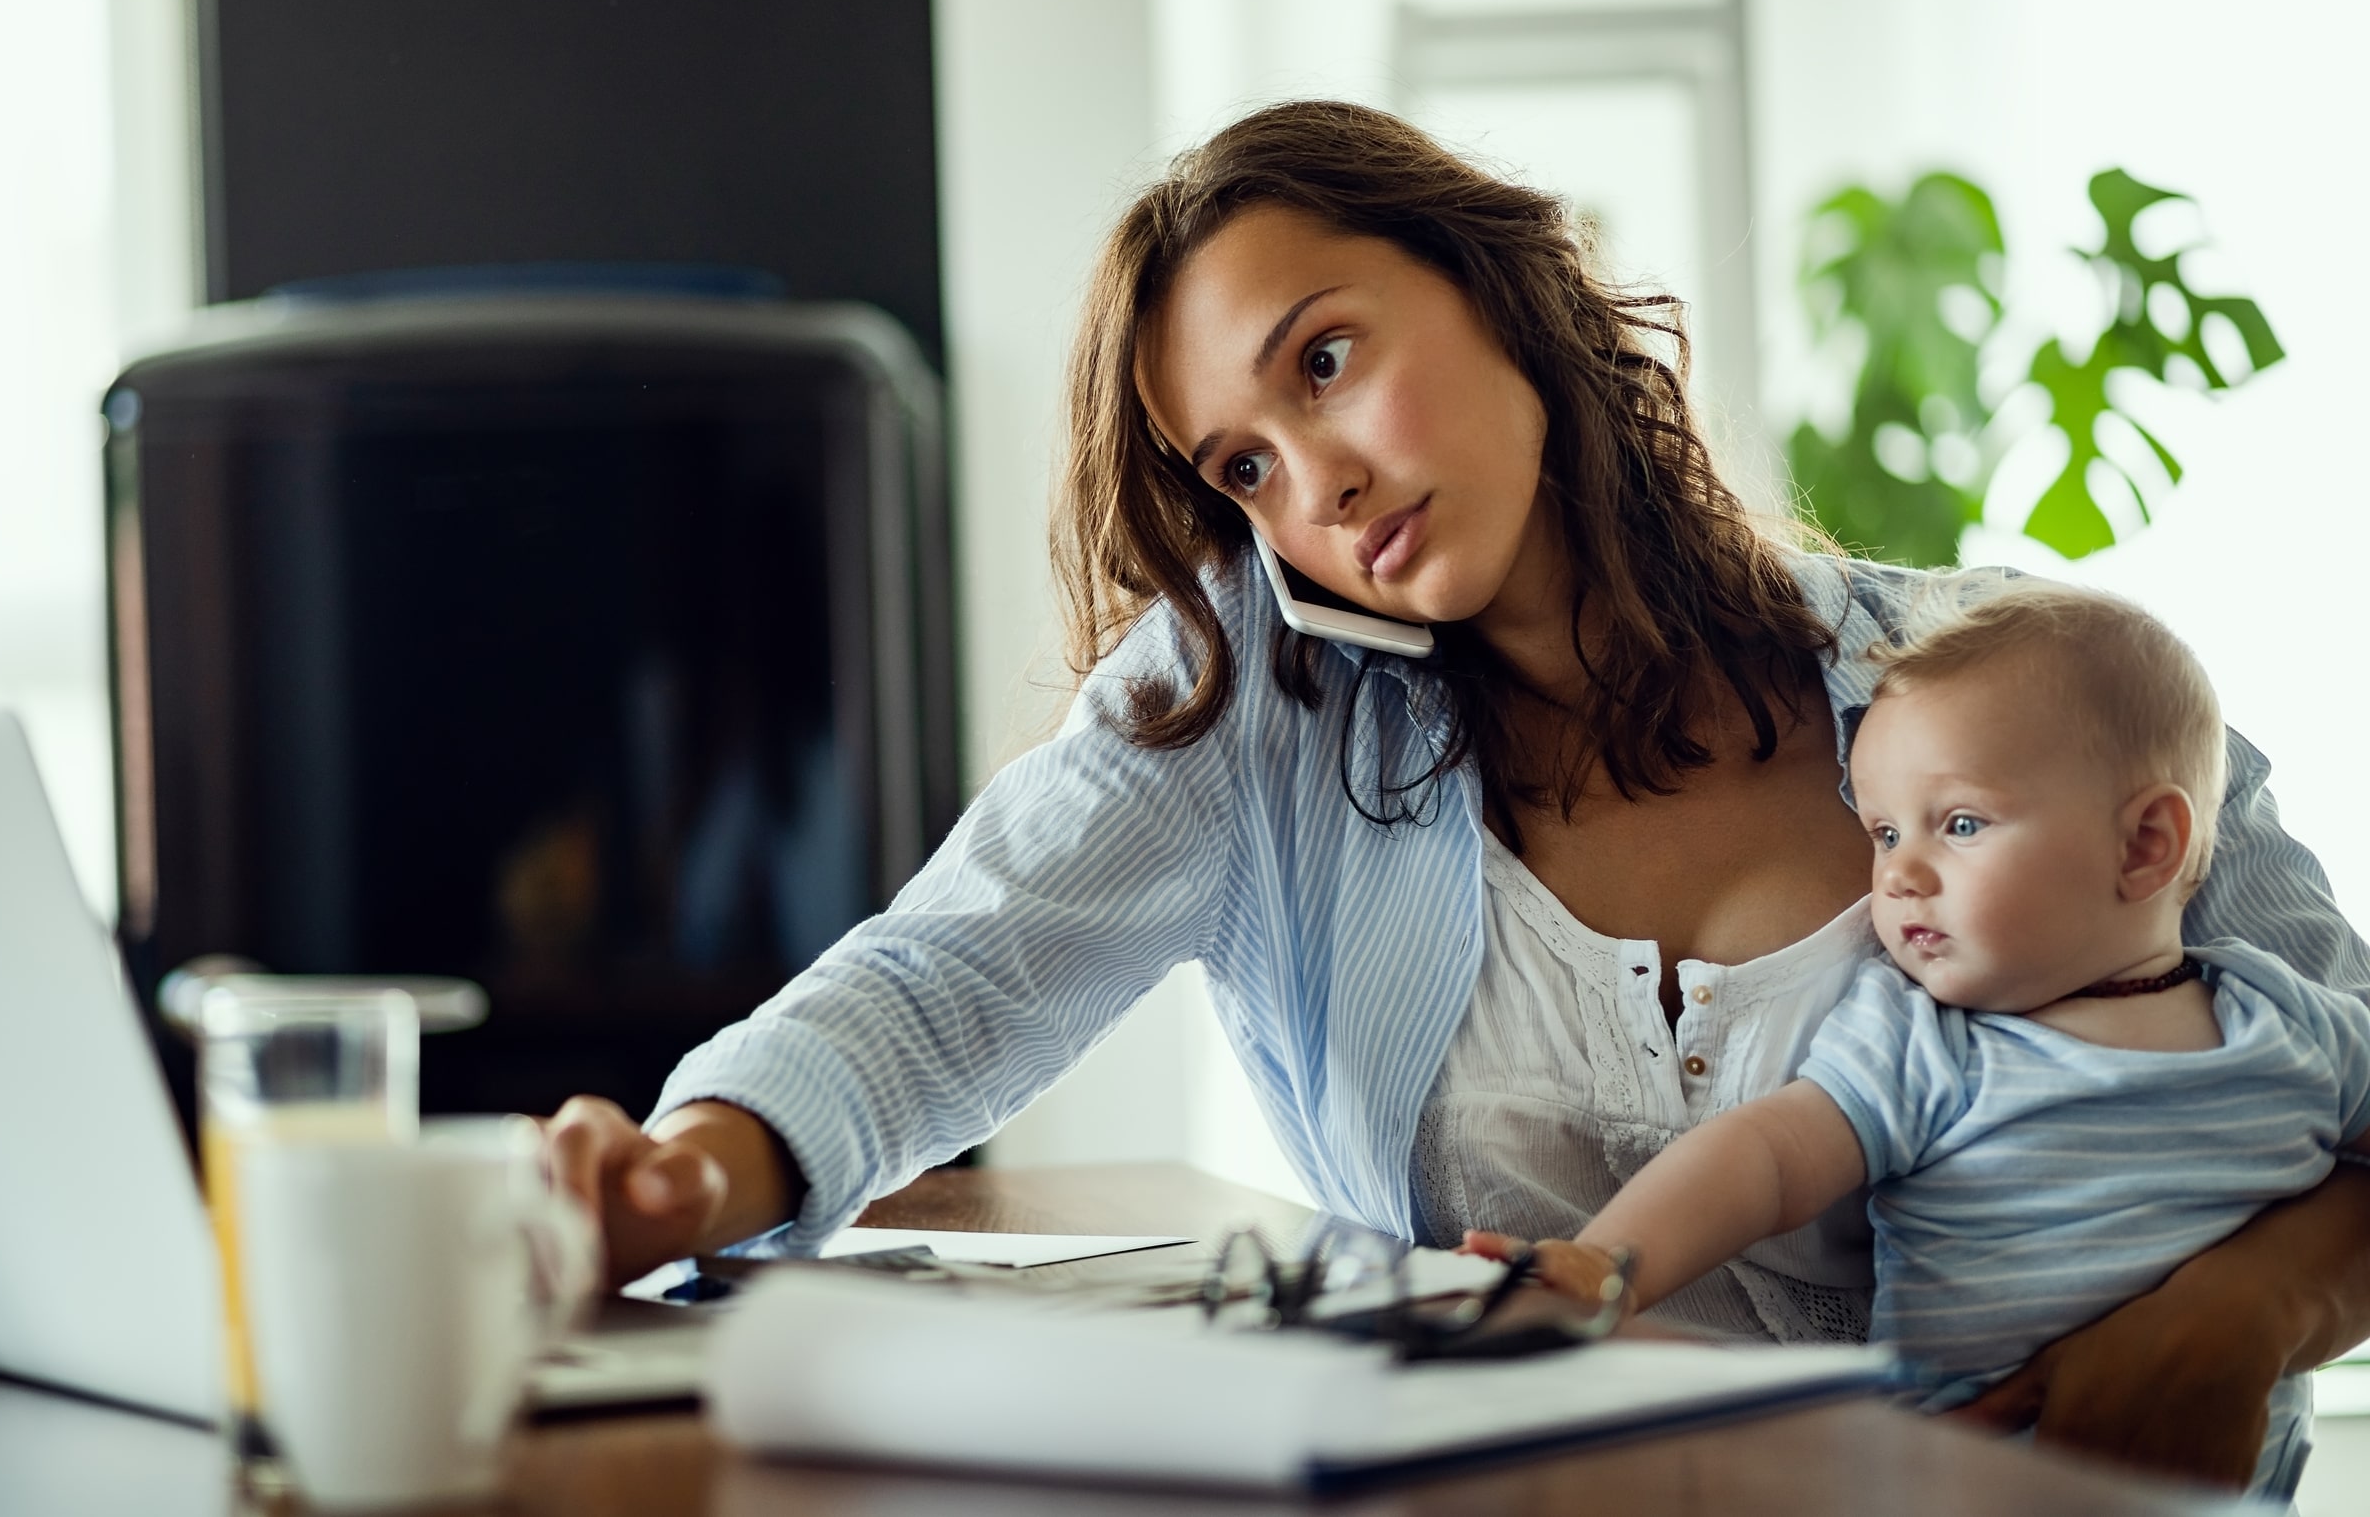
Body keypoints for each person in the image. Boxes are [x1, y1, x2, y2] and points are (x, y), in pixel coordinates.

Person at [547, 101, 2370, 1488]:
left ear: (1502, 286)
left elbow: (2347, 1067)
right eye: (1242, 466)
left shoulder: (2036, 684)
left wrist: (2238, 1314)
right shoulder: (1250, 709)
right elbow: (947, 979)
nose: (1311, 487)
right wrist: (686, 1172)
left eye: (1325, 360)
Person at [1463, 578, 2370, 1497]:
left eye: (1960, 823)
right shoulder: (1926, 1041)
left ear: (2145, 845)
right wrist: (1603, 1263)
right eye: (1885, 832)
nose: (1898, 875)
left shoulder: (2289, 1020)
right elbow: (1765, 1157)